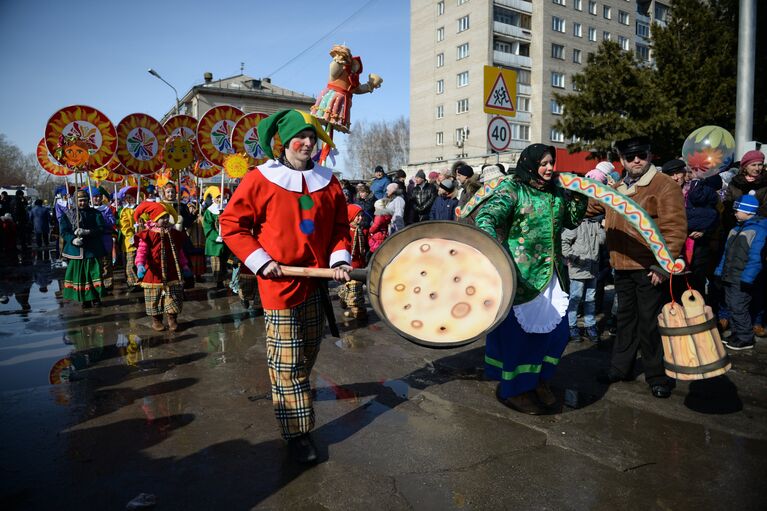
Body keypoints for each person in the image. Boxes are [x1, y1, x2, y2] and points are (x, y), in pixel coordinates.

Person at [219, 109, 351, 464]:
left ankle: (290, 398)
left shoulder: (329, 181)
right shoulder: (260, 180)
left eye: (312, 137)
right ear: (282, 142)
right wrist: (262, 261)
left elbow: (340, 227)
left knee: (305, 358)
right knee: (288, 364)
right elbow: (231, 225)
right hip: (279, 287)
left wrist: (339, 259)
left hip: (317, 286)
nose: (308, 143)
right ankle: (297, 433)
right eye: (300, 137)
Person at [461, 144, 587, 414]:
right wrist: (494, 250)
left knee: (558, 333)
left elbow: (573, 220)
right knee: (521, 336)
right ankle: (515, 390)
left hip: (553, 276)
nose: (550, 168)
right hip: (521, 276)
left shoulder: (555, 193)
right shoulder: (513, 189)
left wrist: (579, 192)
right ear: (530, 163)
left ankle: (538, 379)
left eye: (552, 162)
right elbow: (486, 217)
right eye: (544, 163)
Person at [588, 136, 687, 398]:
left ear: (650, 155)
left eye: (641, 155)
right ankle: (621, 368)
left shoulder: (664, 185)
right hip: (621, 265)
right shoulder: (618, 186)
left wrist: (662, 265)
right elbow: (591, 207)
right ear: (621, 160)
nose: (636, 161)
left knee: (650, 323)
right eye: (630, 157)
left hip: (649, 268)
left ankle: (657, 376)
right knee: (625, 320)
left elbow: (674, 229)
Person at [714, 191, 767, 350]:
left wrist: (748, 278)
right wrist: (719, 271)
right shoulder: (734, 230)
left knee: (739, 307)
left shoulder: (758, 231)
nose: (734, 212)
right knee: (731, 306)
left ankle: (746, 337)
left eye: (738, 210)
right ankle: (737, 333)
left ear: (749, 211)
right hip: (729, 275)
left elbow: (756, 258)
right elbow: (725, 254)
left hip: (742, 278)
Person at [134, 202, 192, 333]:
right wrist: (140, 265)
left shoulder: (174, 233)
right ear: (154, 219)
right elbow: (141, 252)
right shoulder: (147, 234)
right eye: (162, 217)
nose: (166, 220)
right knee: (155, 298)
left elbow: (180, 251)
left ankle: (172, 318)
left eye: (167, 217)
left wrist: (185, 265)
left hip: (172, 271)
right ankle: (157, 320)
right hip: (154, 272)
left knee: (173, 296)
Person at [562, 209, 606, 343]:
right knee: (575, 298)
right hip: (578, 269)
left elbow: (602, 240)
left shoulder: (595, 223)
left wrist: (601, 229)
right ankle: (571, 326)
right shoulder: (574, 224)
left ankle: (590, 325)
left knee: (590, 299)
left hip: (592, 268)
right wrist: (575, 258)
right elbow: (564, 243)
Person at [59, 190, 106, 308]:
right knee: (81, 276)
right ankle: (85, 299)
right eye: (80, 201)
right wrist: (72, 239)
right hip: (76, 250)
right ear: (75, 201)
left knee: (93, 274)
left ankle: (95, 298)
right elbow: (64, 231)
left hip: (92, 249)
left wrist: (88, 231)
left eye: (85, 200)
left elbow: (101, 228)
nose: (83, 203)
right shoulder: (68, 214)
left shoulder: (95, 213)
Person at [338, 204, 368, 321]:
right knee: (355, 289)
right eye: (357, 216)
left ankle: (344, 296)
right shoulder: (345, 233)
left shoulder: (362, 231)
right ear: (350, 216)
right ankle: (357, 312)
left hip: (360, 264)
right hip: (350, 265)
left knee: (355, 289)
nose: (360, 218)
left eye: (361, 216)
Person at [203, 191, 229, 289]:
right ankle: (219, 282)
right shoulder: (209, 211)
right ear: (213, 198)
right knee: (216, 263)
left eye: (221, 197)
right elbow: (207, 226)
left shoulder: (228, 209)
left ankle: (224, 279)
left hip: (226, 241)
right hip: (214, 243)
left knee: (225, 262)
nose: (219, 199)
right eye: (217, 197)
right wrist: (215, 236)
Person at [118, 189, 140, 293]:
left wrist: (141, 225)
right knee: (130, 263)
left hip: (142, 241)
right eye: (128, 197)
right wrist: (131, 235)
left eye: (132, 197)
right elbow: (124, 226)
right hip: (130, 242)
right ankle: (132, 282)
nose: (130, 199)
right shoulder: (125, 211)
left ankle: (141, 280)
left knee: (140, 262)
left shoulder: (140, 208)